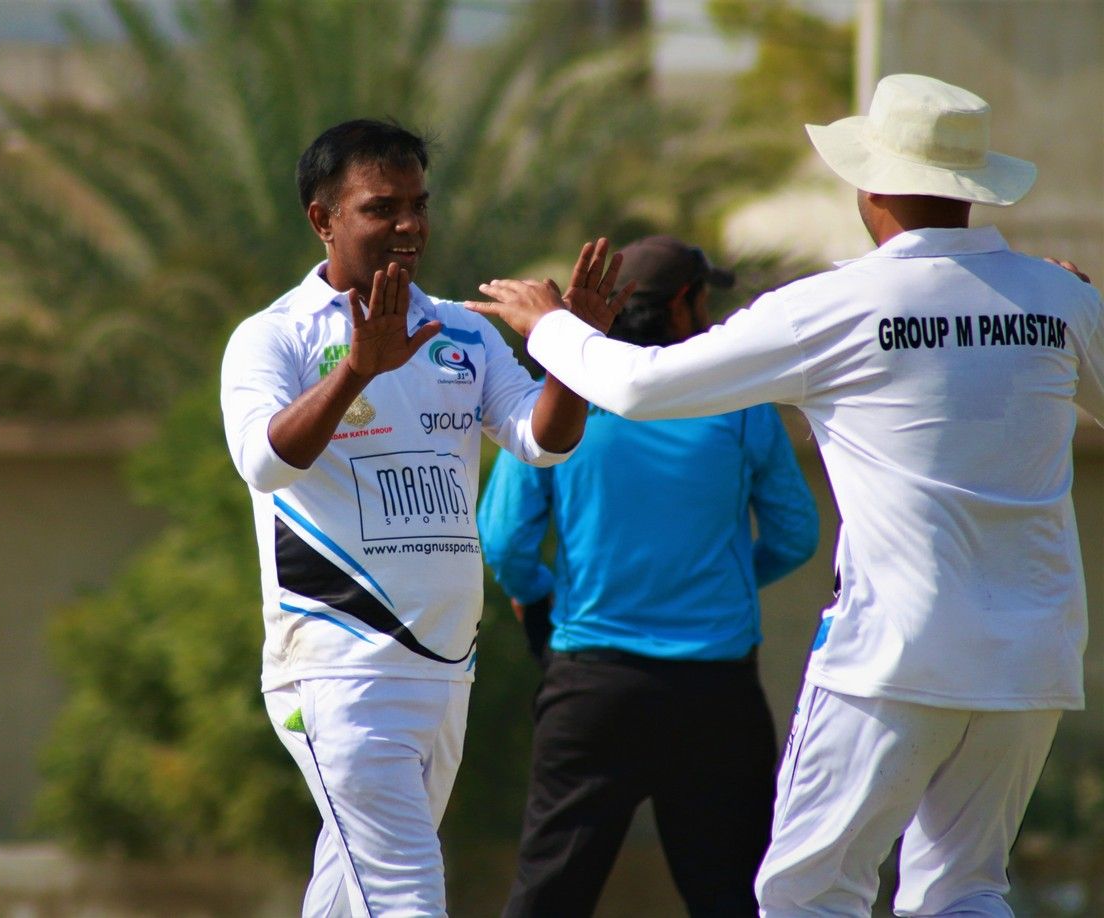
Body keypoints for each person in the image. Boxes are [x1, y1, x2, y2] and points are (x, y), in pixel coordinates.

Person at [468, 74, 1104, 916]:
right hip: (1034, 651)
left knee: (807, 894)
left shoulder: (832, 305)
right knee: (966, 887)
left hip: (890, 655)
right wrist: (1079, 305)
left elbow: (640, 386)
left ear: (871, 188)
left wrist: (550, 325)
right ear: (973, 187)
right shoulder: (1058, 298)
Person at [219, 119, 630, 918]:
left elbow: (542, 440)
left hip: (444, 665)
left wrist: (571, 350)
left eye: (419, 205)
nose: (409, 225)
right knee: (407, 894)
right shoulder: (274, 336)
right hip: (340, 667)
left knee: (351, 895)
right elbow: (264, 462)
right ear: (323, 219)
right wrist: (355, 372)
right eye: (382, 208)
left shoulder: (462, 329)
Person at [476, 235, 820, 917]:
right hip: (717, 696)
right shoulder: (739, 403)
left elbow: (506, 539)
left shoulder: (562, 399)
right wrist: (720, 586)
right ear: (683, 304)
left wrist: (538, 599)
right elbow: (795, 535)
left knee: (547, 900)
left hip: (592, 690)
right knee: (734, 900)